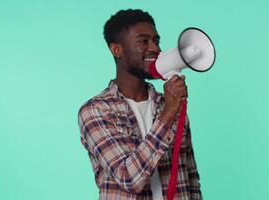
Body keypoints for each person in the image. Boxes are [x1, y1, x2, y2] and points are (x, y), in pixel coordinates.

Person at [78, 9, 202, 199]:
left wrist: (170, 108)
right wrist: (168, 113)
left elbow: (191, 178)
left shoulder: (170, 103)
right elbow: (129, 179)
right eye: (143, 41)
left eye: (156, 40)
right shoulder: (95, 111)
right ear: (116, 49)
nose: (155, 48)